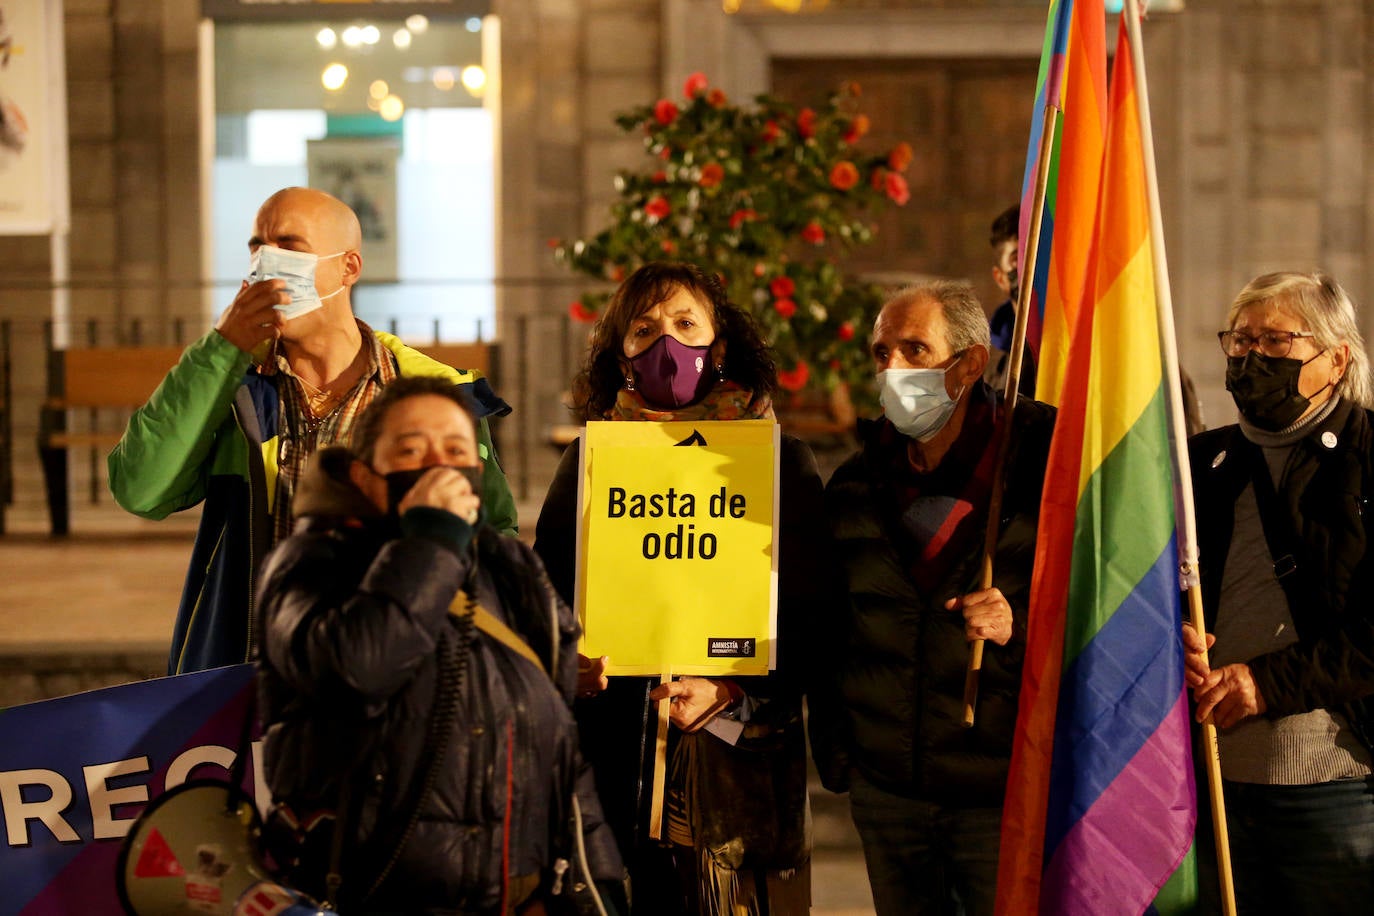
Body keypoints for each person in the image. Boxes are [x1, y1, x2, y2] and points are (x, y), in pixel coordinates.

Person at [107, 187, 516, 676]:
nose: (266, 263)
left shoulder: (433, 397)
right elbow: (141, 489)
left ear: (348, 268)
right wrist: (221, 349)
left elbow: (494, 540)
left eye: (289, 247)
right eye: (257, 247)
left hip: (393, 677)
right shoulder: (232, 386)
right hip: (250, 677)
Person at [256, 376, 624, 914]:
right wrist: (429, 540)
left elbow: (561, 762)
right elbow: (357, 667)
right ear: (366, 475)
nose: (438, 464)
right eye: (411, 450)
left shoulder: (509, 570)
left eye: (455, 450)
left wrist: (599, 893)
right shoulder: (312, 564)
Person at [533, 262, 824, 915]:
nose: (665, 342)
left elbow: (815, 616)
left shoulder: (777, 461)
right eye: (643, 330)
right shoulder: (590, 462)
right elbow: (543, 597)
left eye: (684, 323)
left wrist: (734, 688)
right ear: (623, 356)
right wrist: (566, 663)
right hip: (615, 763)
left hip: (736, 772)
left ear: (718, 344)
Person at [810, 280, 1055, 915]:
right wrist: (847, 755)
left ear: (971, 362)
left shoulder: (1037, 471)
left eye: (915, 350)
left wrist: (1016, 623)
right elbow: (833, 626)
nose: (893, 369)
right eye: (881, 353)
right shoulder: (856, 486)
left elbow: (1105, 606)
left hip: (996, 792)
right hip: (890, 790)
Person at [1184, 270, 1374, 915]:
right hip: (1209, 781)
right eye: (1240, 343)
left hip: (1337, 786)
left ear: (1336, 357)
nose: (1250, 359)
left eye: (1275, 343)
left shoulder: (1369, 458)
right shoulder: (1197, 465)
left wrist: (1267, 684)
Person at [982, 203, 1035, 398]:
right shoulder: (992, 364)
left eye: (1040, 252)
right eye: (1017, 257)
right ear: (1001, 278)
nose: (1031, 264)